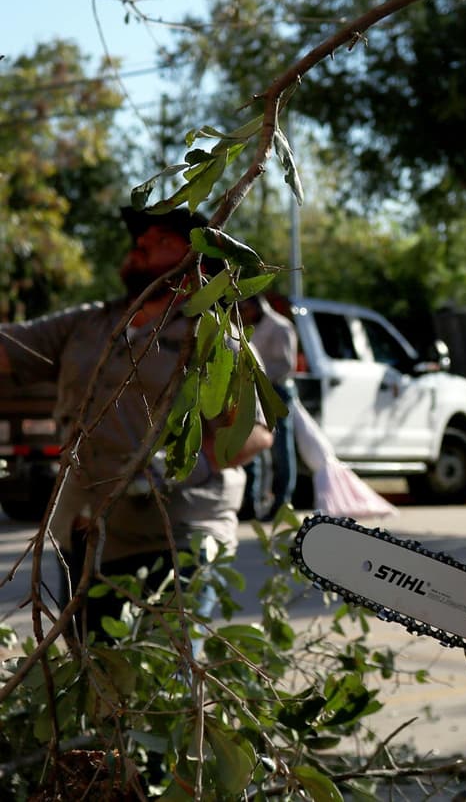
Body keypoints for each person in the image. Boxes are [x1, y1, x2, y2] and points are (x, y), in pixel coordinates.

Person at [0, 206, 273, 645]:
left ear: (196, 266)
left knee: (164, 681)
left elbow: (254, 432)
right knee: (95, 681)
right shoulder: (89, 325)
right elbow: (7, 349)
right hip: (88, 535)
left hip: (179, 534)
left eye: (161, 240)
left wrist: (182, 466)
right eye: (141, 238)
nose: (141, 243)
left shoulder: (214, 337)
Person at [237, 293, 298, 522]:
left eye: (245, 308)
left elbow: (285, 364)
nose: (243, 312)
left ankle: (282, 502)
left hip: (276, 391)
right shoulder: (247, 327)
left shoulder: (280, 327)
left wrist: (258, 376)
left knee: (281, 450)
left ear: (257, 306)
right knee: (252, 446)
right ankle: (251, 502)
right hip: (254, 391)